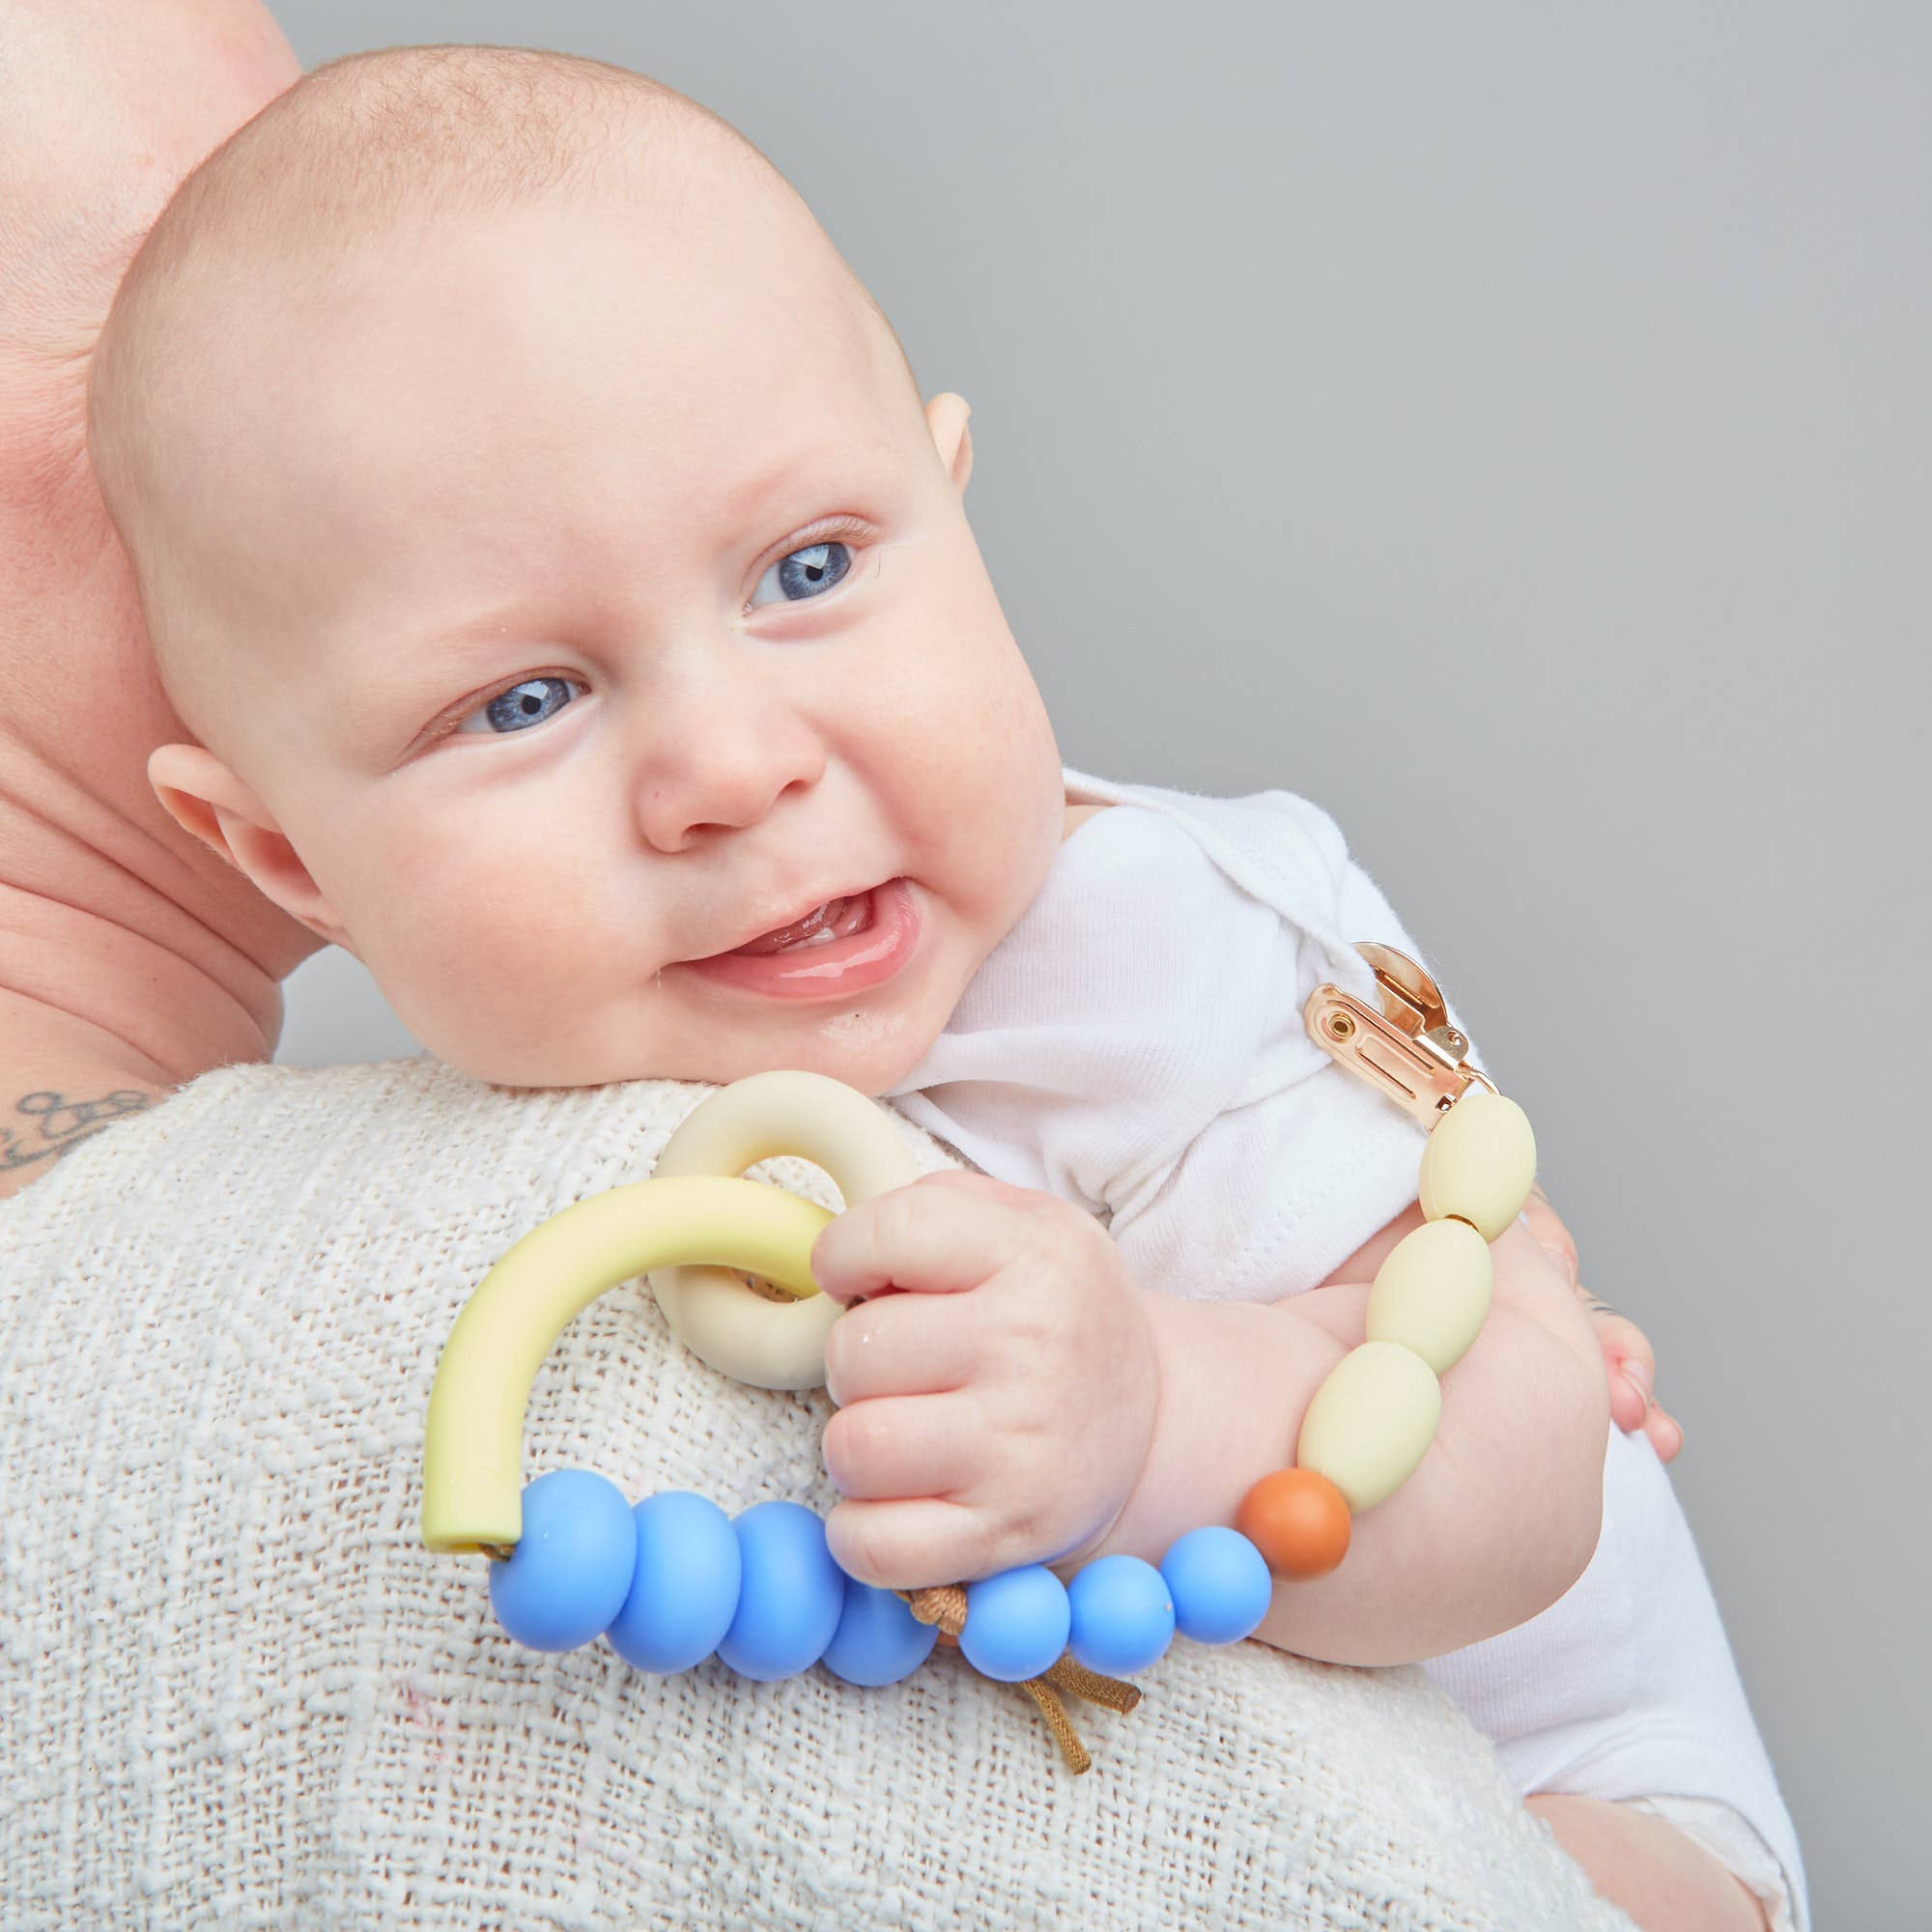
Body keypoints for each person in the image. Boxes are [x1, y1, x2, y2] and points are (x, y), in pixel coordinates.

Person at [0, 18, 1778, 1932]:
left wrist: (1159, 1409)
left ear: (952, 500)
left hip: (1597, 1805)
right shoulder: (430, 1161)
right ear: (278, 853)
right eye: (526, 699)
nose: (732, 766)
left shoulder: (1150, 939)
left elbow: (1530, 1468)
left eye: (809, 570)